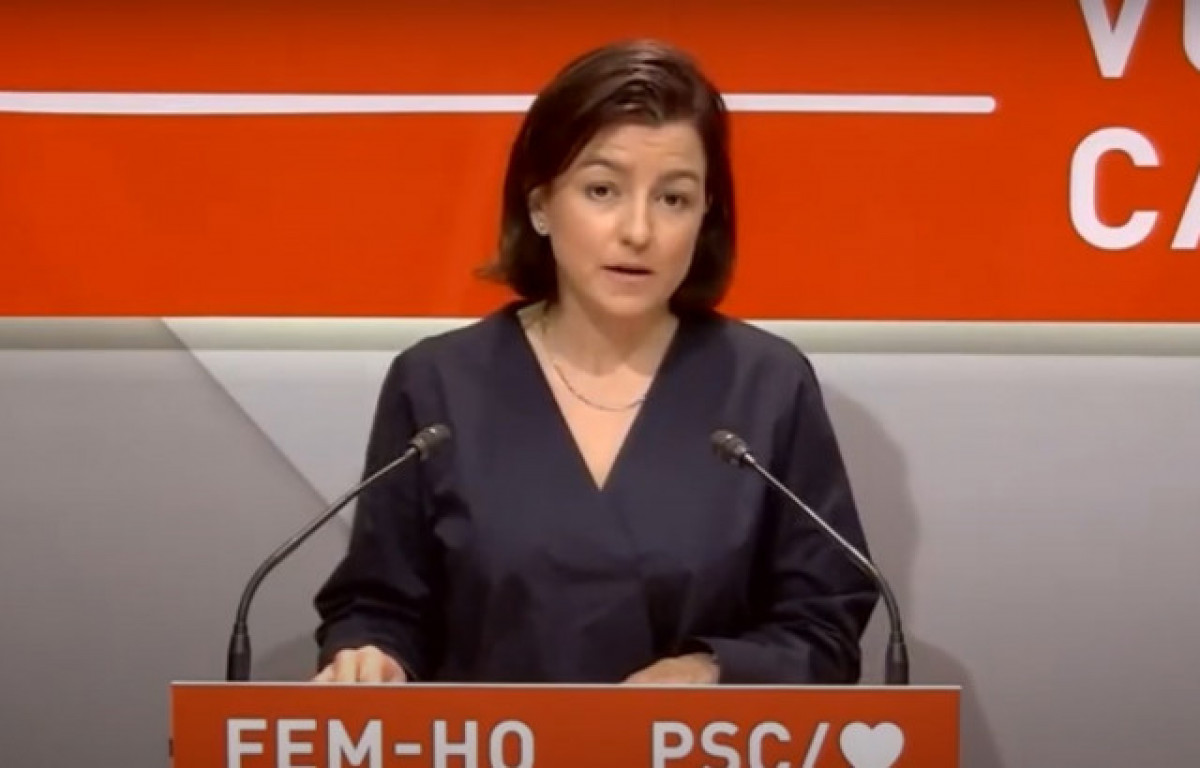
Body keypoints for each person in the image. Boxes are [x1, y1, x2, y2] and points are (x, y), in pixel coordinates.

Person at [312, 38, 879, 685]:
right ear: (540, 204)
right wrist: (371, 656)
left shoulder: (766, 384)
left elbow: (825, 624)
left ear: (706, 215)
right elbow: (380, 605)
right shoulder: (438, 383)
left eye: (673, 199)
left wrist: (714, 670)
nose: (638, 231)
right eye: (603, 190)